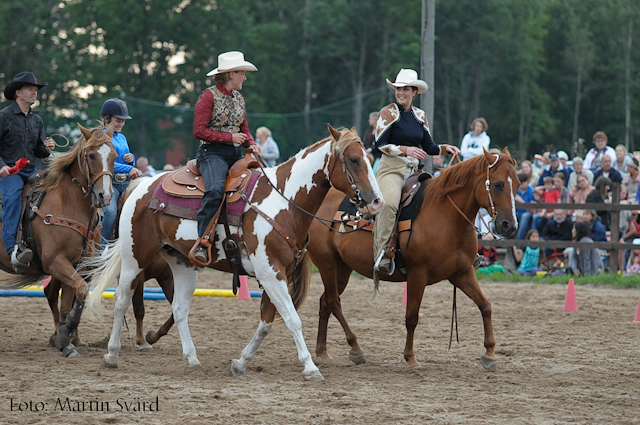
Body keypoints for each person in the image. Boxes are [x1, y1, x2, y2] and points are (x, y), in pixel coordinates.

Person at [372, 68, 460, 274]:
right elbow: (379, 144)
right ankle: (383, 253)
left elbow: (429, 147)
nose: (401, 92)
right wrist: (405, 150)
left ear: (415, 92)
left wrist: (446, 148)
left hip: (414, 172)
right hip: (391, 170)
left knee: (436, 202)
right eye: (398, 89)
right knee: (390, 204)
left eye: (405, 89)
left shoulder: (421, 116)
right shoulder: (388, 112)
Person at [192, 51, 261, 264]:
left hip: (236, 154)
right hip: (211, 154)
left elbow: (245, 129)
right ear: (231, 74)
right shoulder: (208, 96)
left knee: (262, 186)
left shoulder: (240, 98)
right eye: (242, 73)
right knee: (214, 189)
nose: (245, 78)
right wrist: (229, 137)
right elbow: (198, 131)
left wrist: (252, 144)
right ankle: (203, 241)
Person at [0, 72, 55, 270]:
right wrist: (2, 167)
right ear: (18, 92)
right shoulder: (3, 116)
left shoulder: (37, 120)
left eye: (35, 90)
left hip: (32, 171)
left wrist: (47, 147)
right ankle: (11, 250)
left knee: (53, 192)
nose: (34, 93)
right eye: (30, 89)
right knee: (13, 197)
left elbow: (39, 152)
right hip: (10, 173)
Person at [99, 98, 142, 244]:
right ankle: (101, 247)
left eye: (123, 121)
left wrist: (131, 159)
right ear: (107, 118)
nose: (121, 124)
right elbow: (107, 163)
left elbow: (125, 160)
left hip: (126, 182)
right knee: (110, 212)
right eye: (118, 120)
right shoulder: (102, 137)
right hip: (110, 183)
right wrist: (130, 168)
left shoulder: (122, 137)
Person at [515, 172, 535, 239]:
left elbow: (532, 210)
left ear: (527, 181)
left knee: (525, 216)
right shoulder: (516, 190)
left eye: (522, 183)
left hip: (527, 212)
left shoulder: (532, 191)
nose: (520, 185)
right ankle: (504, 239)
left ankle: (518, 240)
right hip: (516, 212)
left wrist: (521, 201)